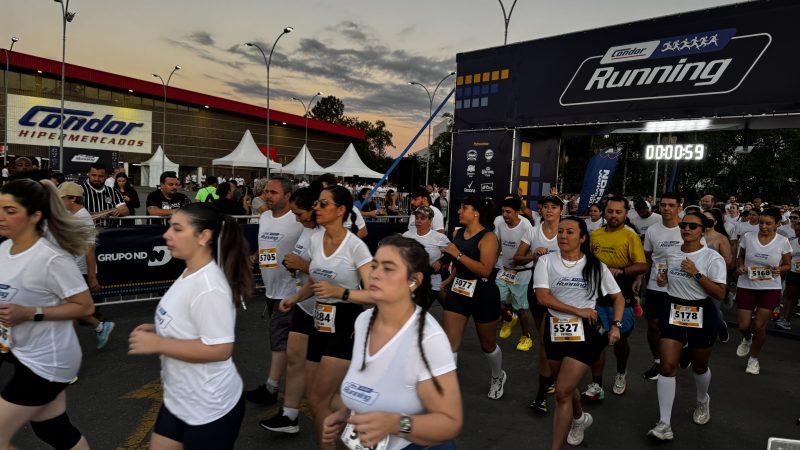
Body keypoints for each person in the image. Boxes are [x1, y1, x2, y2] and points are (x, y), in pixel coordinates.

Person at [128, 202, 253, 449]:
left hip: (210, 409)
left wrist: (159, 343)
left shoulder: (209, 288)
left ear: (203, 236)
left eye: (177, 229)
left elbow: (220, 349)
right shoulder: (189, 272)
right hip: (179, 399)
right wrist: (160, 328)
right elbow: (190, 323)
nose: (167, 235)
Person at [321, 235, 462, 450]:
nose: (374, 274)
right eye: (374, 265)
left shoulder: (427, 338)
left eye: (388, 268)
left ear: (413, 281)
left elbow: (450, 423)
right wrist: (347, 414)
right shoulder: (363, 322)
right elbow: (373, 389)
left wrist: (396, 424)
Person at [0, 178, 95, 449]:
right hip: (23, 352)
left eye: (11, 211)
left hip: (48, 362)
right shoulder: (4, 249)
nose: (1, 217)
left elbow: (85, 307)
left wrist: (30, 313)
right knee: (52, 428)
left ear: (35, 216)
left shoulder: (51, 258)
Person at [278, 185, 373, 449]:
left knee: (320, 395)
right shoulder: (314, 239)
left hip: (346, 319)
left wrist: (340, 293)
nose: (316, 208)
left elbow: (375, 294)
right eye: (317, 204)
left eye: (323, 204)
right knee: (315, 397)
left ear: (341, 210)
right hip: (319, 318)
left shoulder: (356, 247)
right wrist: (295, 298)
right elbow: (315, 279)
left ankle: (361, 417)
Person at [534, 216, 624, 450]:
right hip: (555, 329)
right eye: (561, 231)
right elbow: (543, 298)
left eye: (570, 232)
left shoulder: (595, 265)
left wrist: (616, 325)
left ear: (583, 238)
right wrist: (578, 310)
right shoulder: (546, 261)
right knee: (565, 385)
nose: (563, 236)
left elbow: (618, 297)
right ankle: (579, 418)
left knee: (562, 391)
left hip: (585, 333)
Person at [647, 210, 727, 441]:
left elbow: (720, 293)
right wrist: (663, 280)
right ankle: (664, 424)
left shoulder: (712, 258)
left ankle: (703, 400)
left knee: (699, 367)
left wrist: (696, 274)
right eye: (683, 225)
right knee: (667, 366)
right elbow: (667, 278)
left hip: (702, 311)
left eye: (693, 226)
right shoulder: (671, 253)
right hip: (674, 310)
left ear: (703, 230)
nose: (686, 229)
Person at [259, 184, 323, 434]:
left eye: (299, 214)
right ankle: (289, 416)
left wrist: (303, 266)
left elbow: (337, 277)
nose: (296, 219)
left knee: (325, 377)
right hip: (302, 304)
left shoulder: (328, 236)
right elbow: (304, 268)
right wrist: (296, 295)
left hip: (329, 312)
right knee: (295, 360)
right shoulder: (306, 231)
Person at [439, 196, 506, 399]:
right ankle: (448, 387)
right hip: (458, 291)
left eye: (464, 208)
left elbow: (485, 270)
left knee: (488, 345)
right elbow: (459, 266)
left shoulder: (488, 238)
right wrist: (449, 279)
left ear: (476, 212)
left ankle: (497, 375)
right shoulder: (458, 232)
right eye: (460, 207)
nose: (459, 211)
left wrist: (457, 254)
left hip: (483, 294)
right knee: (450, 343)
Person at [243, 178, 302, 407]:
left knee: (278, 340)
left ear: (288, 196)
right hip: (271, 289)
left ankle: (272, 389)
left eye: (273, 192)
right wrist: (256, 256)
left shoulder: (297, 220)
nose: (267, 195)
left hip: (291, 291)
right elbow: (268, 246)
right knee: (284, 342)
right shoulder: (265, 217)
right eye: (266, 191)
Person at [584, 196, 647, 399]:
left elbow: (642, 265)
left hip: (621, 293)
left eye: (618, 212)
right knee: (597, 340)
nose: (613, 215)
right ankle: (596, 384)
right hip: (597, 294)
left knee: (619, 340)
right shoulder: (596, 235)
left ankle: (621, 372)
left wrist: (622, 270)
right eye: (610, 211)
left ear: (625, 214)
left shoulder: (631, 236)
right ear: (604, 212)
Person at [514, 194, 562, 412]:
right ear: (540, 211)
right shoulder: (532, 231)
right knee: (544, 340)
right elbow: (517, 258)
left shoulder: (567, 230)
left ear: (561, 210)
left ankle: (550, 387)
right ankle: (545, 388)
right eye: (546, 207)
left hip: (564, 291)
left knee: (557, 340)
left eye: (554, 207)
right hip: (539, 288)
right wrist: (533, 256)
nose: (549, 211)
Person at [58, 182, 116, 350]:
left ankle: (71, 350)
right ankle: (98, 327)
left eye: (61, 198)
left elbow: (90, 249)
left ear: (73, 199)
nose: (58, 201)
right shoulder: (70, 214)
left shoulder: (82, 217)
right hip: (69, 269)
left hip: (78, 271)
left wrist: (92, 277)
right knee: (70, 309)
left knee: (70, 311)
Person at [734, 207, 791, 375]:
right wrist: (739, 267)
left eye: (768, 223)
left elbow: (787, 264)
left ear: (777, 224)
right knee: (743, 325)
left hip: (770, 287)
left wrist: (780, 269)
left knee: (759, 326)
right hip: (747, 285)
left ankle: (753, 359)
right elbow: (740, 257)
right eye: (761, 223)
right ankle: (746, 338)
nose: (764, 226)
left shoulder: (782, 241)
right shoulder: (748, 237)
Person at [637, 192, 682, 381]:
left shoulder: (688, 228)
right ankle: (658, 361)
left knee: (678, 325)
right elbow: (647, 257)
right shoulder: (653, 231)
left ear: (679, 207)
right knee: (654, 326)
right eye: (663, 205)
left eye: (671, 205)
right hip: (656, 286)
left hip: (681, 287)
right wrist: (640, 276)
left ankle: (676, 357)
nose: (666, 209)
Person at [493, 196, 535, 352]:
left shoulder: (526, 226)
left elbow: (524, 254)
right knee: (494, 298)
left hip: (522, 272)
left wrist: (519, 260)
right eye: (503, 211)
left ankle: (526, 337)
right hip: (505, 270)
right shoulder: (500, 225)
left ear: (517, 212)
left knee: (521, 307)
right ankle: (509, 319)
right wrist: (492, 264)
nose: (505, 215)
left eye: (508, 212)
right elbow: (497, 247)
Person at [403, 206, 450, 301]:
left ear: (430, 220)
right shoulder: (407, 235)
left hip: (431, 283)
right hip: (409, 282)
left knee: (416, 310)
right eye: (417, 218)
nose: (418, 221)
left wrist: (440, 262)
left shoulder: (439, 238)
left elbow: (451, 254)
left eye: (423, 218)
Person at [318, 173, 368, 239]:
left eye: (323, 188)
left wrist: (344, 244)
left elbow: (363, 232)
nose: (321, 192)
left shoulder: (351, 208)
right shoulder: (316, 207)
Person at [777, 211, 800, 331]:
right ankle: (785, 320)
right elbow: (786, 260)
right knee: (791, 297)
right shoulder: (792, 243)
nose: (797, 232)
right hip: (794, 273)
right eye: (796, 230)